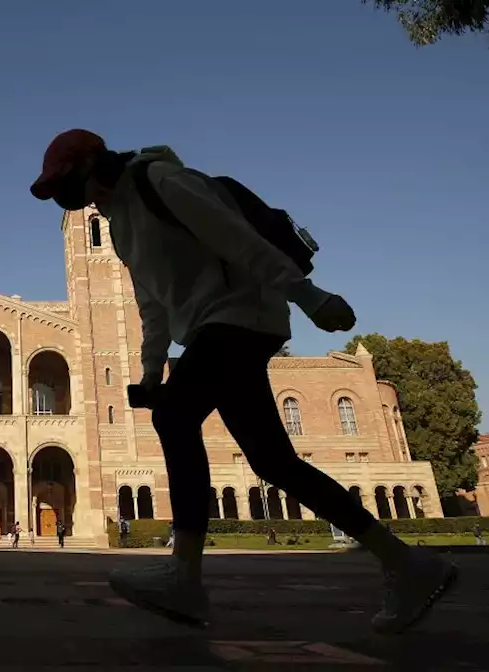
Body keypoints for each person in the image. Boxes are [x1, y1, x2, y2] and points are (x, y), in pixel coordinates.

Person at [29, 129, 457, 634]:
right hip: (213, 330)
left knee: (175, 415)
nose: (66, 199)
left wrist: (309, 296)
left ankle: (184, 573)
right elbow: (151, 301)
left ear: (90, 165)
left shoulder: (160, 179)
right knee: (273, 462)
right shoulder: (120, 223)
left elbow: (238, 239)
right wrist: (149, 372)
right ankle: (406, 564)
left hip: (243, 316)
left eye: (64, 184)